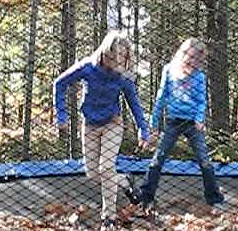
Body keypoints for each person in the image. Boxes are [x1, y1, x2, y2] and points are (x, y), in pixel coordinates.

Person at [53, 30, 149, 231]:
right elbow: (59, 84)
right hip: (89, 125)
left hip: (112, 124)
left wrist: (143, 128)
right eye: (113, 57)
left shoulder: (123, 76)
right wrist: (61, 115)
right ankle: (125, 181)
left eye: (121, 59)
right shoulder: (88, 67)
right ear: (105, 52)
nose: (116, 63)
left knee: (105, 168)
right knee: (92, 173)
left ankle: (109, 218)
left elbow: (134, 103)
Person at [127, 37, 224, 215]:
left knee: (204, 160)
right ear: (184, 54)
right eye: (192, 57)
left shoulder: (200, 77)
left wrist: (200, 118)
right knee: (158, 158)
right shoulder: (169, 70)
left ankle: (215, 198)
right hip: (173, 122)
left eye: (198, 59)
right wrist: (154, 124)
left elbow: (202, 100)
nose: (194, 62)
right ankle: (146, 197)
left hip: (193, 124)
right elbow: (161, 97)